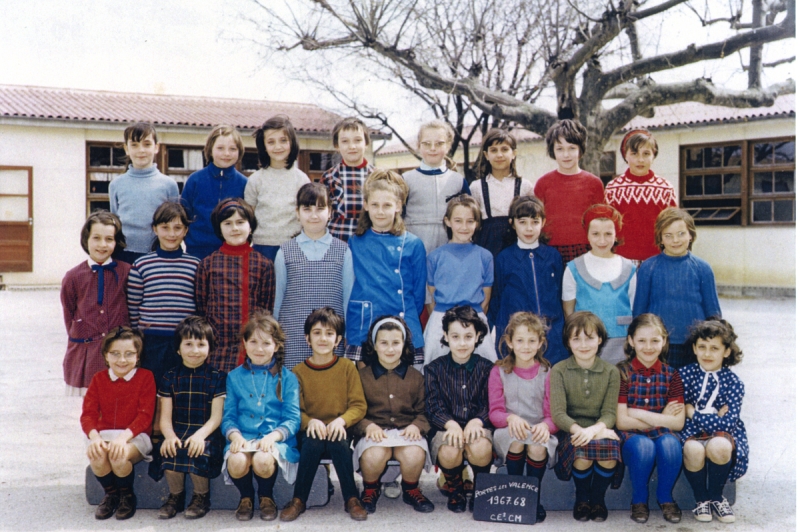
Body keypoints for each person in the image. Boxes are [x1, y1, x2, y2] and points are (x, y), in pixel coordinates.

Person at [280, 308, 368, 522]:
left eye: (329, 333)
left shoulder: (347, 367)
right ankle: (299, 499)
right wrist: (310, 422)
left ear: (338, 340)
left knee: (339, 444)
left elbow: (358, 405)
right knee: (313, 443)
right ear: (307, 338)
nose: (323, 338)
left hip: (339, 429)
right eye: (317, 333)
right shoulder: (297, 372)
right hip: (310, 432)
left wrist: (341, 420)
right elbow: (293, 411)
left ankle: (351, 498)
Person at [222, 312, 300, 521]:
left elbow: (292, 419)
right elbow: (228, 416)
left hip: (272, 438)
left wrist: (272, 437)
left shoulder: (288, 377)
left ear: (276, 346)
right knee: (236, 462)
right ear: (245, 344)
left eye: (266, 343)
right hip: (244, 436)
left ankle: (266, 496)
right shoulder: (233, 376)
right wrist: (235, 436)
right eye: (253, 341)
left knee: (263, 461)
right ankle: (246, 497)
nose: (259, 348)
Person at [345, 169, 427, 365]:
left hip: (402, 323)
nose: (380, 211)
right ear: (365, 205)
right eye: (374, 205)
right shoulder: (354, 242)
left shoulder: (413, 244)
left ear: (398, 206)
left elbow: (418, 295)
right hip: (364, 324)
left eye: (387, 205)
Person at [355, 316, 435, 514]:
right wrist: (367, 426)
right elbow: (354, 411)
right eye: (384, 343)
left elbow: (425, 411)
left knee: (414, 454)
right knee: (374, 455)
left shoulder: (416, 377)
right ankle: (370, 489)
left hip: (406, 432)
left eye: (396, 343)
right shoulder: (361, 377)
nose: (390, 349)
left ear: (404, 345)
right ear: (374, 346)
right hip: (374, 433)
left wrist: (417, 425)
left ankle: (411, 489)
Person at [550, 312, 621, 523]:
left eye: (589, 338)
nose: (583, 345)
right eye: (576, 339)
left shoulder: (611, 372)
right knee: (581, 453)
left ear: (600, 339)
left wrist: (594, 430)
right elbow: (558, 414)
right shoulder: (559, 370)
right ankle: (582, 498)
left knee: (609, 452)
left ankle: (598, 499)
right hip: (571, 430)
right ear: (568, 342)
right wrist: (580, 431)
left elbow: (610, 413)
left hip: (599, 428)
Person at [273, 182, 353, 368]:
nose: (314, 215)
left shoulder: (343, 251)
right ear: (297, 212)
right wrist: (275, 336)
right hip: (293, 337)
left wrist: (348, 337)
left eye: (320, 208)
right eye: (307, 209)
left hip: (331, 338)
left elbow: (348, 300)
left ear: (330, 212)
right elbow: (278, 300)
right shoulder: (285, 252)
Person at [615, 314, 685, 524]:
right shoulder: (621, 373)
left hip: (660, 434)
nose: (648, 347)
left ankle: (665, 497)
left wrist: (637, 413)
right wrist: (662, 417)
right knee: (644, 447)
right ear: (631, 341)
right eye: (642, 341)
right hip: (631, 436)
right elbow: (622, 422)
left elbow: (678, 423)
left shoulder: (672, 375)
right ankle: (639, 500)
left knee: (671, 444)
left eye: (655, 341)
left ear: (664, 341)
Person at [488, 312, 557, 523]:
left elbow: (553, 415)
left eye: (531, 341)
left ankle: (532, 497)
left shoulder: (548, 372)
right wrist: (510, 419)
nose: (525, 346)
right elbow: (495, 413)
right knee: (517, 441)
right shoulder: (498, 371)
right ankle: (516, 494)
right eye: (519, 340)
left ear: (540, 343)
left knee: (536, 445)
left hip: (538, 428)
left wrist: (546, 426)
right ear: (509, 342)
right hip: (508, 429)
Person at [81, 327, 156, 520]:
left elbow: (145, 416)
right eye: (115, 354)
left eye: (129, 354)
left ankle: (127, 496)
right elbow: (88, 414)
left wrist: (123, 439)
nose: (122, 360)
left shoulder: (146, 377)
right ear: (106, 356)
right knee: (96, 456)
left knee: (119, 455)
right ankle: (111, 494)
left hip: (134, 436)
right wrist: (95, 438)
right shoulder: (98, 379)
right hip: (104, 435)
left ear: (138, 356)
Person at [424, 306, 494, 513]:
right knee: (449, 448)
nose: (462, 343)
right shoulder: (434, 369)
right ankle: (455, 489)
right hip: (446, 427)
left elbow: (491, 403)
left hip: (477, 426)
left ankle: (481, 488)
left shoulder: (488, 368)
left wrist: (477, 421)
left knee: (481, 447)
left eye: (468, 336)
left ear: (478, 336)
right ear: (446, 336)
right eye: (455, 336)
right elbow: (432, 405)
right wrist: (450, 424)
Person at [679, 319, 748, 524]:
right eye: (702, 347)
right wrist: (714, 416)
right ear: (694, 348)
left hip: (718, 432)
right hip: (689, 431)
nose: (707, 354)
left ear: (726, 351)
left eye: (714, 348)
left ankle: (717, 496)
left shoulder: (734, 383)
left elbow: (727, 424)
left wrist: (693, 413)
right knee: (694, 449)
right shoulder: (684, 375)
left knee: (720, 445)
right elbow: (676, 411)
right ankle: (701, 499)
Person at [157, 316, 226, 520]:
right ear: (178, 349)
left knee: (198, 450)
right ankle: (176, 496)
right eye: (188, 344)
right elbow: (165, 418)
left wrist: (200, 436)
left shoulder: (218, 377)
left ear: (210, 348)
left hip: (206, 432)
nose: (195, 350)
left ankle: (201, 496)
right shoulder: (169, 377)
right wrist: (169, 436)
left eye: (201, 344)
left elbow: (216, 418)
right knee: (170, 449)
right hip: (178, 429)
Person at [633, 208, 721, 368]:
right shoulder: (648, 267)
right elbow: (639, 312)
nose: (675, 240)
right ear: (660, 238)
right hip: (658, 345)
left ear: (691, 235)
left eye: (681, 233)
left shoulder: (703, 268)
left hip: (694, 345)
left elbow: (713, 314)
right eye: (668, 235)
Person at [195, 198, 275, 373]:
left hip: (252, 349)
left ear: (251, 226)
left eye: (240, 222)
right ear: (219, 228)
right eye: (228, 223)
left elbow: (266, 309)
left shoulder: (263, 264)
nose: (235, 228)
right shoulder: (207, 264)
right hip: (217, 350)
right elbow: (201, 308)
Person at [128, 201, 200, 392]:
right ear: (155, 229)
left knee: (181, 390)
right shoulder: (141, 265)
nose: (171, 233)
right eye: (165, 227)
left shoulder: (195, 265)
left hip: (184, 340)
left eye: (178, 228)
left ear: (185, 230)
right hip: (151, 341)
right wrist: (138, 338)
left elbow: (199, 305)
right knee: (153, 390)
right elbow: (133, 306)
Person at [489, 196, 567, 364]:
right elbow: (498, 300)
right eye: (522, 222)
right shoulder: (504, 258)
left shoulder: (553, 256)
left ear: (543, 222)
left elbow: (560, 295)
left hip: (551, 338)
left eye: (535, 222)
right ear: (512, 223)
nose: (529, 228)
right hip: (519, 341)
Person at [62, 211, 131, 395]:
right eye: (96, 238)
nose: (102, 245)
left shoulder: (127, 272)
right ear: (86, 240)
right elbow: (69, 314)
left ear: (116, 242)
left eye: (109, 239)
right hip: (86, 353)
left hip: (119, 354)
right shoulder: (73, 276)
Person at [424, 194, 495, 364]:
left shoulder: (485, 256)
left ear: (477, 223)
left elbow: (485, 299)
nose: (464, 227)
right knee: (435, 365)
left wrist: (471, 320)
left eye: (470, 221)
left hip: (475, 318)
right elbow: (432, 297)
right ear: (447, 221)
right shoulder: (435, 257)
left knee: (486, 366)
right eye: (458, 221)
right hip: (441, 319)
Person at [562, 204, 636, 364]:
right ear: (587, 235)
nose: (602, 240)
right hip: (586, 343)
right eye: (595, 234)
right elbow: (569, 313)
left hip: (620, 342)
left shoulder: (629, 268)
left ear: (616, 234)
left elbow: (633, 306)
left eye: (608, 234)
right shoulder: (573, 268)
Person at [534, 119, 605, 265]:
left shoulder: (594, 184)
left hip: (586, 250)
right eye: (560, 149)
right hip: (550, 250)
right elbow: (537, 221)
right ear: (552, 151)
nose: (566, 155)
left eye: (572, 148)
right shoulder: (543, 184)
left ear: (580, 150)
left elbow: (601, 221)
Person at [109, 122, 179, 264]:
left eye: (147, 144)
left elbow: (174, 222)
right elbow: (115, 220)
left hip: (158, 253)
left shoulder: (169, 185)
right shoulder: (116, 185)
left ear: (156, 147)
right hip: (124, 255)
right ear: (126, 149)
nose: (141, 150)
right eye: (134, 145)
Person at [604, 129, 677, 262]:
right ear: (625, 155)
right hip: (622, 259)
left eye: (646, 154)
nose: (640, 159)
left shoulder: (665, 188)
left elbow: (673, 224)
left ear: (653, 156)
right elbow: (607, 225)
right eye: (634, 153)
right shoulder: (613, 188)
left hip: (657, 259)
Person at [245, 115, 311, 262]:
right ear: (264, 146)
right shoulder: (255, 180)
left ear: (292, 142)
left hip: (294, 247)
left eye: (283, 140)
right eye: (271, 142)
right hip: (262, 247)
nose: (278, 147)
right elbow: (249, 217)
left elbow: (306, 215)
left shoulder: (302, 179)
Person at [402, 119, 470, 254]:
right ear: (418, 145)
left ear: (449, 145)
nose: (432, 148)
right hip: (414, 251)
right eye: (426, 144)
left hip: (450, 252)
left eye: (439, 143)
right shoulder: (406, 180)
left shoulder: (457, 181)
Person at [181, 125, 248, 259]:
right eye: (220, 148)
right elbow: (184, 214)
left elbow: (248, 219)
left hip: (233, 251)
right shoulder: (195, 180)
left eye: (232, 149)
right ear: (210, 150)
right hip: (197, 251)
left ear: (239, 152)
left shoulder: (244, 183)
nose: (226, 153)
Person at [470, 128, 534, 257]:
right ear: (486, 155)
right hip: (487, 248)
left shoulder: (525, 186)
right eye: (494, 150)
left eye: (504, 149)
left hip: (518, 248)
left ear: (514, 153)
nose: (499, 155)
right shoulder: (476, 187)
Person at [321, 117, 375, 242]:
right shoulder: (329, 177)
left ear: (366, 143)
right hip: (337, 241)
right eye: (345, 141)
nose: (352, 146)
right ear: (337, 145)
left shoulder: (376, 176)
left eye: (358, 140)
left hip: (369, 241)